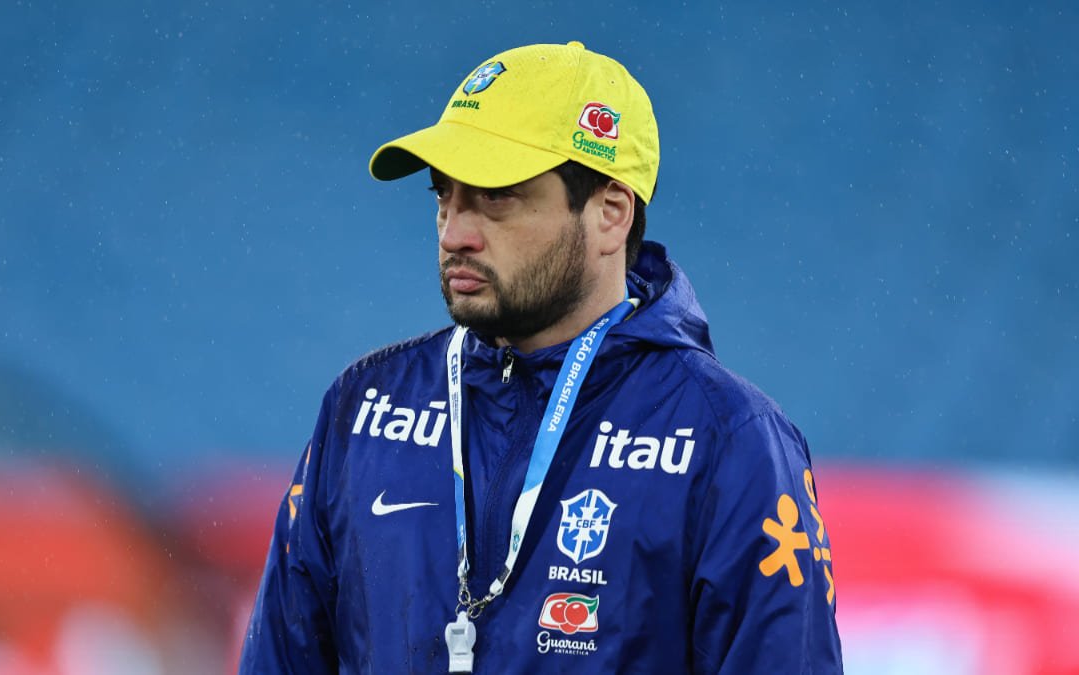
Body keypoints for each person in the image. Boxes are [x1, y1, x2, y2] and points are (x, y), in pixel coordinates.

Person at [239, 41, 842, 674]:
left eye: (496, 197)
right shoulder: (363, 408)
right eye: (443, 195)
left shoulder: (728, 439)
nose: (454, 233)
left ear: (610, 214)